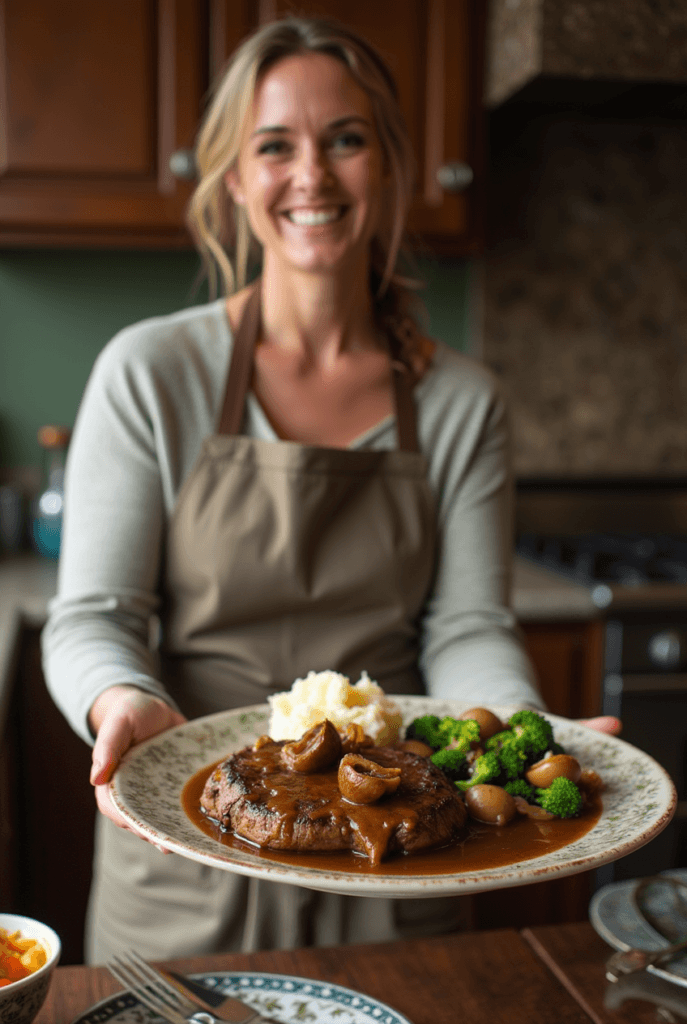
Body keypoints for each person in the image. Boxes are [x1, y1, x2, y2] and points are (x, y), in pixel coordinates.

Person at [41, 16, 619, 964]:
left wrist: (508, 734)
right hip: (191, 844)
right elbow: (93, 615)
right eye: (275, 146)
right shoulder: (150, 371)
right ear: (235, 178)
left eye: (344, 140)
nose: (311, 175)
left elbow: (465, 626)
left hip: (399, 863)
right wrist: (121, 700)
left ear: (386, 165)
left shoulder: (463, 402)